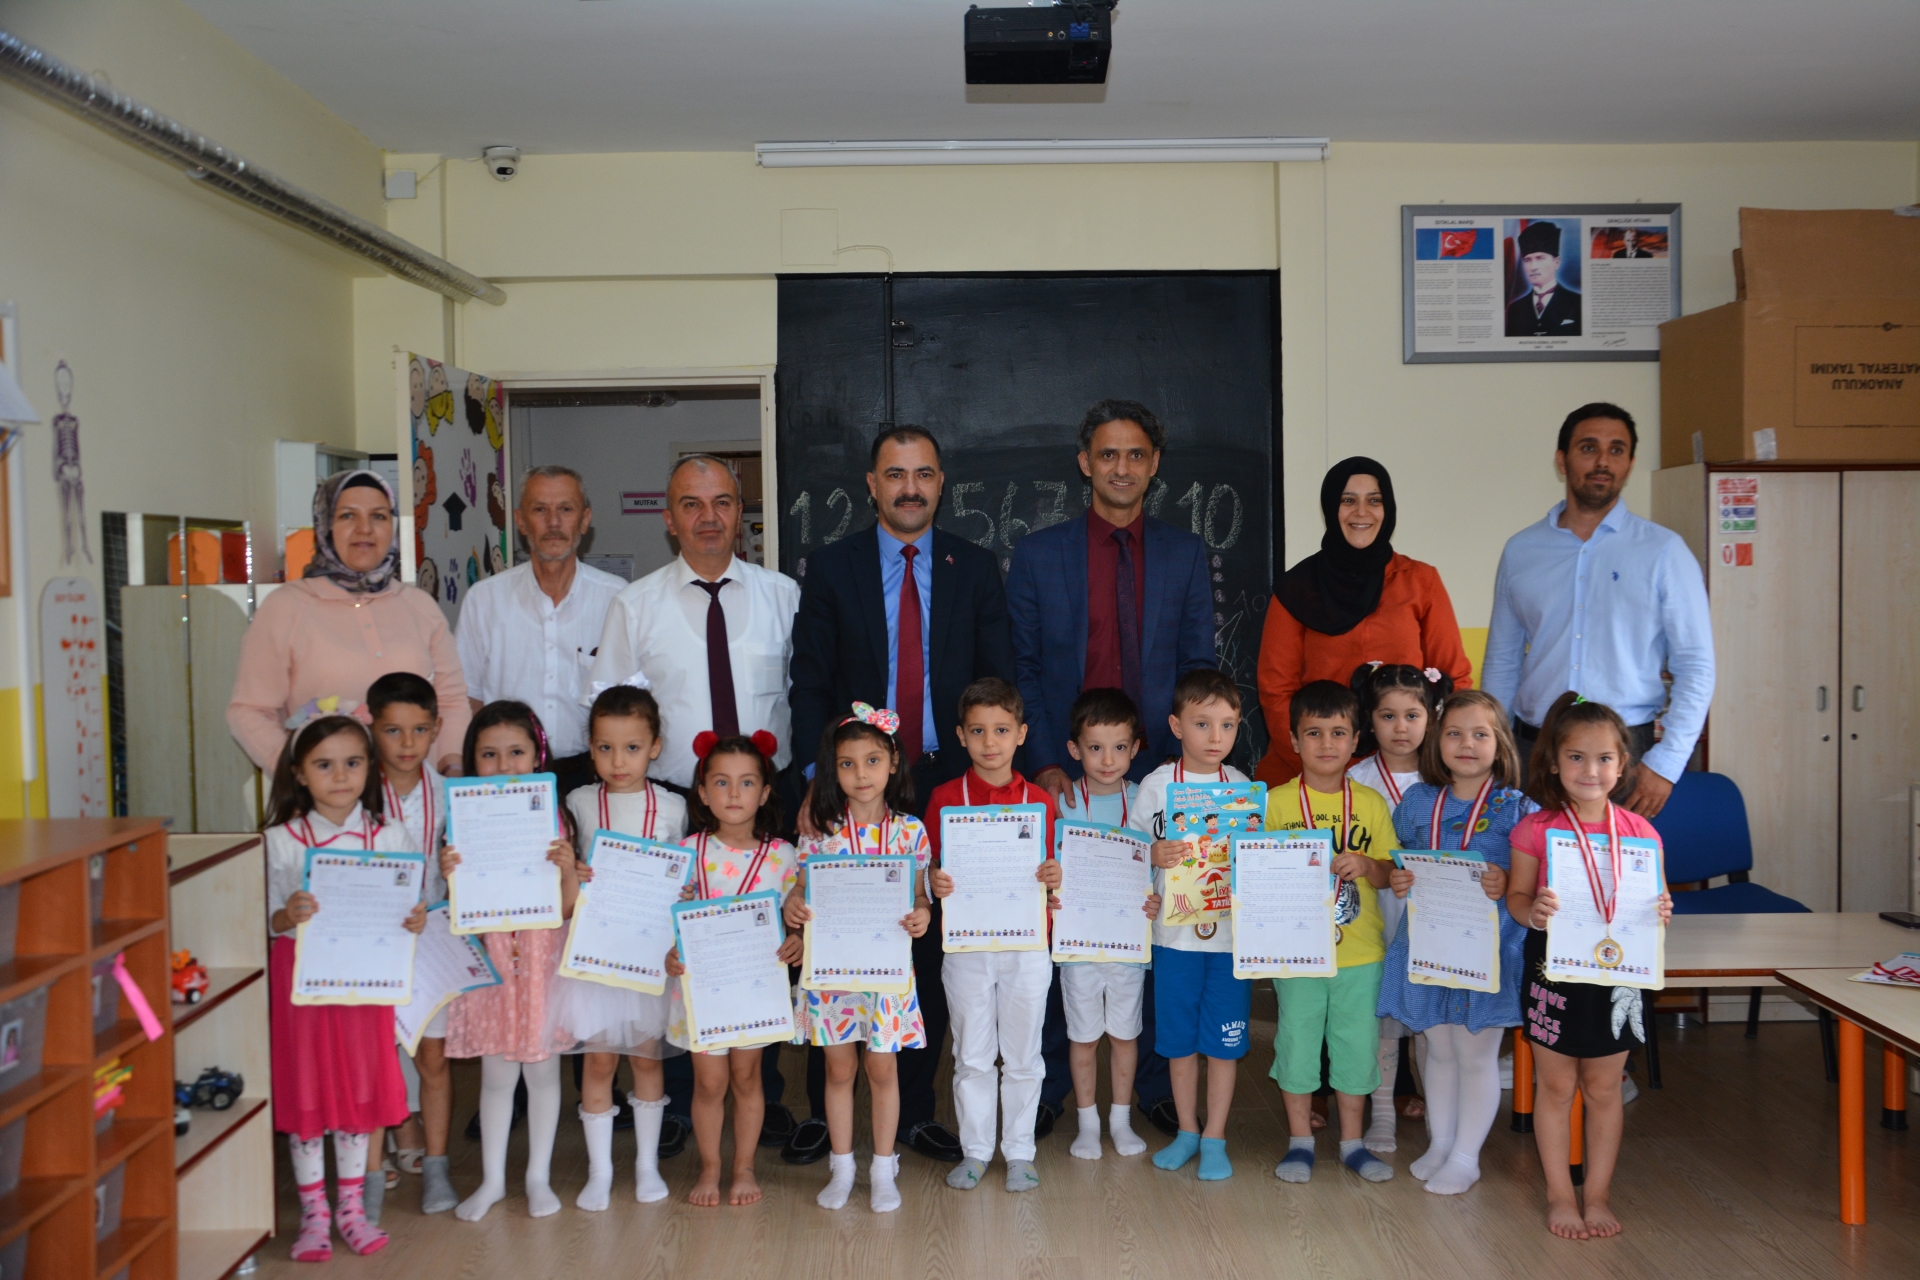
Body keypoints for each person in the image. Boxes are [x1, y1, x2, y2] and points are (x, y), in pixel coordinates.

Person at [788, 424, 1012, 1165]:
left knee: (925, 940)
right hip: (852, 783)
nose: (909, 487)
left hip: (945, 786)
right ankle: (825, 1111)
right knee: (835, 937)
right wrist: (816, 780)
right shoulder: (832, 567)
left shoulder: (974, 567)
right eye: (895, 474)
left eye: (923, 474)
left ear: (940, 482)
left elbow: (996, 679)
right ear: (872, 484)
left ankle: (913, 1111)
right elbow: (810, 681)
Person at [1005, 399, 1213, 1136]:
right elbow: (1024, 667)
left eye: (1135, 455)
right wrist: (1042, 761)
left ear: (1154, 465)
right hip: (1067, 774)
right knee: (1061, 924)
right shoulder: (1039, 555)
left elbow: (1197, 665)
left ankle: (1148, 1084)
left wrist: (1185, 769)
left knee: (1153, 930)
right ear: (1084, 462)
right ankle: (1055, 1085)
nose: (1121, 467)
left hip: (1157, 773)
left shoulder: (1186, 554)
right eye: (1107, 454)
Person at [1482, 403, 1714, 818]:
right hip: (1534, 750)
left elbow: (1696, 665)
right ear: (1562, 460)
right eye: (1588, 448)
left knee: (1613, 863)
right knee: (1527, 859)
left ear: (1630, 463)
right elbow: (1502, 661)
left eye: (1616, 450)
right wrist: (1495, 752)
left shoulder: (1663, 551)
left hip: (1624, 756)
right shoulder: (1521, 551)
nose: (1603, 461)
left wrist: (1666, 763)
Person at [1504, 692, 1674, 1239]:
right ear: (1555, 762)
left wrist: (1662, 909)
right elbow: (1516, 898)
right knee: (1556, 1088)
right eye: (1576, 757)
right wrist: (1532, 911)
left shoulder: (1641, 833)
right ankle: (1560, 1194)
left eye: (1604, 758)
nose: (1590, 770)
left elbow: (1655, 903)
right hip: (1553, 971)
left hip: (1618, 974)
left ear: (1623, 766)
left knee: (1603, 1088)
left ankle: (1597, 1194)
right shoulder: (1536, 829)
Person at [264, 713, 423, 1260]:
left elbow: (410, 907)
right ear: (298, 773)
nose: (340, 776)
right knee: (306, 1091)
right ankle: (313, 1215)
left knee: (358, 1091)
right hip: (301, 984)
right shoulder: (280, 842)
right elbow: (264, 920)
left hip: (365, 984)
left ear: (370, 769)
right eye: (324, 765)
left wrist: (415, 919)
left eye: (352, 763)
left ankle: (352, 1210)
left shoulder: (391, 835)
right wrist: (286, 915)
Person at [1377, 689, 1535, 1195]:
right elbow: (1399, 861)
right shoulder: (1418, 802)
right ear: (1436, 741)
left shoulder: (1518, 809)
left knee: (1474, 1053)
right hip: (1427, 944)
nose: (1467, 744)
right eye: (1454, 733)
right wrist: (1398, 877)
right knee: (1438, 1049)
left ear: (1501, 742)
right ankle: (1441, 1143)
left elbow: (1533, 882)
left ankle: (1467, 1157)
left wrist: (1507, 881)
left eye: (1480, 734)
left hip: (1487, 951)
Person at [546, 683, 687, 1211]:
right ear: (590, 748)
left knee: (647, 1060)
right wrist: (573, 870)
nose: (618, 761)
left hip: (648, 957)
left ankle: (647, 1165)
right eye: (605, 748)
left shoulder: (673, 807)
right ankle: (600, 1170)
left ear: (655, 747)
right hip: (595, 958)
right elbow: (566, 875)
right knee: (599, 1062)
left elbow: (683, 872)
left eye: (632, 748)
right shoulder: (579, 803)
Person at [787, 708, 934, 1213]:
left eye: (872, 760)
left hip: (887, 976)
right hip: (831, 974)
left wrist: (922, 915)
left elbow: (921, 896)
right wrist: (793, 906)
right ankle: (843, 1166)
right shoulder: (818, 830)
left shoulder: (910, 831)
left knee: (882, 1068)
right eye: (847, 764)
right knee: (838, 1069)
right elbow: (799, 889)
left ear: (893, 762)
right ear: (834, 769)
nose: (861, 774)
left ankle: (883, 1167)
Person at [229, 470, 470, 776]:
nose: (364, 529)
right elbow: (249, 711)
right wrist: (298, 774)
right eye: (347, 516)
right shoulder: (286, 607)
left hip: (418, 794)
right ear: (326, 525)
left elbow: (450, 700)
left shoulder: (419, 606)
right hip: (329, 798)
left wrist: (452, 767)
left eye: (379, 516)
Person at [440, 703, 580, 1222]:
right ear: (472, 760)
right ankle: (493, 1180)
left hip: (541, 965)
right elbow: (458, 912)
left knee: (543, 1074)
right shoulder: (463, 821)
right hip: (494, 967)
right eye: (490, 754)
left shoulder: (555, 817)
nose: (504, 765)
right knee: (497, 1077)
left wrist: (568, 868)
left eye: (517, 752)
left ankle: (537, 1178)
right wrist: (450, 875)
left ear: (538, 755)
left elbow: (568, 907)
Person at [925, 678, 1063, 1192]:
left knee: (1024, 1054)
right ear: (961, 735)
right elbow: (925, 866)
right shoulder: (944, 798)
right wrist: (932, 880)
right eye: (978, 731)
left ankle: (1021, 1151)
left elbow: (1054, 872)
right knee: (972, 1055)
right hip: (966, 947)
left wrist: (1055, 875)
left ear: (1021, 734)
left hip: (1027, 946)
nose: (990, 742)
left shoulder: (1039, 802)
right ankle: (976, 1151)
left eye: (1002, 730)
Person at [591, 455, 800, 793]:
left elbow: (806, 696)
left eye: (722, 503)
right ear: (670, 521)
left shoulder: (785, 597)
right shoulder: (633, 606)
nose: (709, 517)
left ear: (738, 514)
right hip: (673, 798)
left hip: (771, 794)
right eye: (691, 504)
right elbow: (610, 713)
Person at [1256, 458, 1471, 785]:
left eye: (1374, 500)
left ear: (1388, 509)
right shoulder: (1296, 589)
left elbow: (1453, 680)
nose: (1361, 512)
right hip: (1310, 776)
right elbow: (1276, 693)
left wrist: (1427, 760)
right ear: (1331, 507)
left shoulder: (1420, 581)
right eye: (1348, 500)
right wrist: (1326, 769)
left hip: (1406, 776)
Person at [1266, 681, 1399, 1186]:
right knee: (1297, 1045)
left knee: (1356, 1047)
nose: (1327, 743)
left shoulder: (1371, 803)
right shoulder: (1274, 804)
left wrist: (1367, 864)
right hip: (1294, 953)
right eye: (1314, 732)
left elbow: (1390, 874)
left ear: (1356, 740)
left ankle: (1352, 1144)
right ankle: (1299, 1142)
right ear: (1294, 740)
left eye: (1339, 732)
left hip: (1360, 953)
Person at [664, 733, 804, 1207]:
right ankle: (709, 1167)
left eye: (746, 782)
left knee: (747, 1079)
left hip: (755, 991)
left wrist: (798, 941)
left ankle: (743, 1167)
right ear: (703, 792)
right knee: (708, 1083)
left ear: (764, 792)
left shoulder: (783, 856)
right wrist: (670, 954)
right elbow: (665, 922)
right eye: (721, 782)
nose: (733, 793)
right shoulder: (688, 851)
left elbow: (797, 918)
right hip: (700, 993)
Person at [1139, 669, 1252, 1182]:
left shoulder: (1244, 788)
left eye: (1227, 725)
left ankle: (1215, 1136)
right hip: (1174, 939)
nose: (1215, 737)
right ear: (1176, 726)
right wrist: (1152, 854)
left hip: (1230, 942)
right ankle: (1187, 1130)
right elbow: (1131, 852)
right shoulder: (1157, 786)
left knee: (1224, 1043)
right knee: (1179, 1042)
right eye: (1202, 723)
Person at [456, 466, 624, 799]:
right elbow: (467, 695)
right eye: (540, 509)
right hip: (507, 774)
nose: (553, 522)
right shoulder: (484, 599)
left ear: (585, 519)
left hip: (594, 775)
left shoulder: (617, 599)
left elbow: (631, 701)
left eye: (566, 509)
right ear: (520, 521)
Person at [1346, 661, 1450, 1152]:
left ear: (1432, 716)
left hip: (1431, 917)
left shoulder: (1444, 775)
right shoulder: (1356, 777)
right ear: (1369, 720)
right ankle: (1382, 1112)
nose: (1400, 728)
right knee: (1383, 1020)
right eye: (1387, 716)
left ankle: (1441, 1122)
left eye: (1413, 715)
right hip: (1375, 915)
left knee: (1429, 1022)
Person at [364, 673, 457, 1215]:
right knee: (375, 1056)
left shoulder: (450, 796)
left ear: (437, 729)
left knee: (433, 1057)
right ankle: (370, 1169)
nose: (407, 743)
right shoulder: (355, 793)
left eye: (420, 730)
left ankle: (438, 1166)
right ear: (371, 728)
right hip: (374, 943)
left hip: (434, 940)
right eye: (393, 730)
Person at [1056, 688, 1158, 1160]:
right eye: (1095, 747)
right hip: (1077, 946)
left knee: (1124, 1034)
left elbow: (1160, 867)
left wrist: (1158, 898)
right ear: (1074, 749)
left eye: (1119, 747)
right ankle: (1087, 1123)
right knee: (1082, 1037)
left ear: (1135, 748)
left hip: (1129, 944)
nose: (1108, 759)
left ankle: (1120, 1120)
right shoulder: (1063, 803)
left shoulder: (1145, 800)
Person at [1504, 220, 1583, 337]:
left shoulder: (1578, 303)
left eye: (1540, 258)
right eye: (1527, 260)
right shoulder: (1515, 309)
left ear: (1556, 262)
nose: (1533, 267)